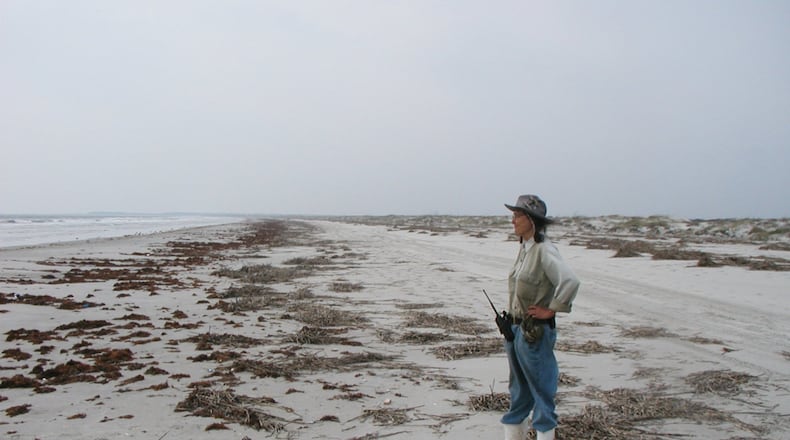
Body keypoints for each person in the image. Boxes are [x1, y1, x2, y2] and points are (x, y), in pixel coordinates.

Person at [500, 194, 580, 440]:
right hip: (514, 332)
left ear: (531, 220)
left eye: (517, 216)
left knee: (542, 394)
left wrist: (552, 309)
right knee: (518, 392)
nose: (513, 221)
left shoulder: (544, 250)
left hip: (534, 333)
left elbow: (570, 281)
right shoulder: (525, 248)